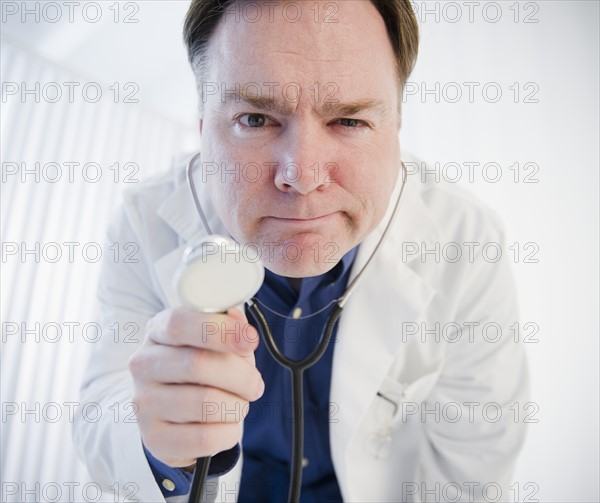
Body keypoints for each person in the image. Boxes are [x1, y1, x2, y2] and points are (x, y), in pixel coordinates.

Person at [73, 1, 529, 502]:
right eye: (255, 118)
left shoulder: (465, 241)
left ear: (396, 126)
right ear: (202, 125)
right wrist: (157, 444)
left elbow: (472, 468)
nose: (302, 175)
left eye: (349, 121)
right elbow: (103, 412)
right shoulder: (143, 221)